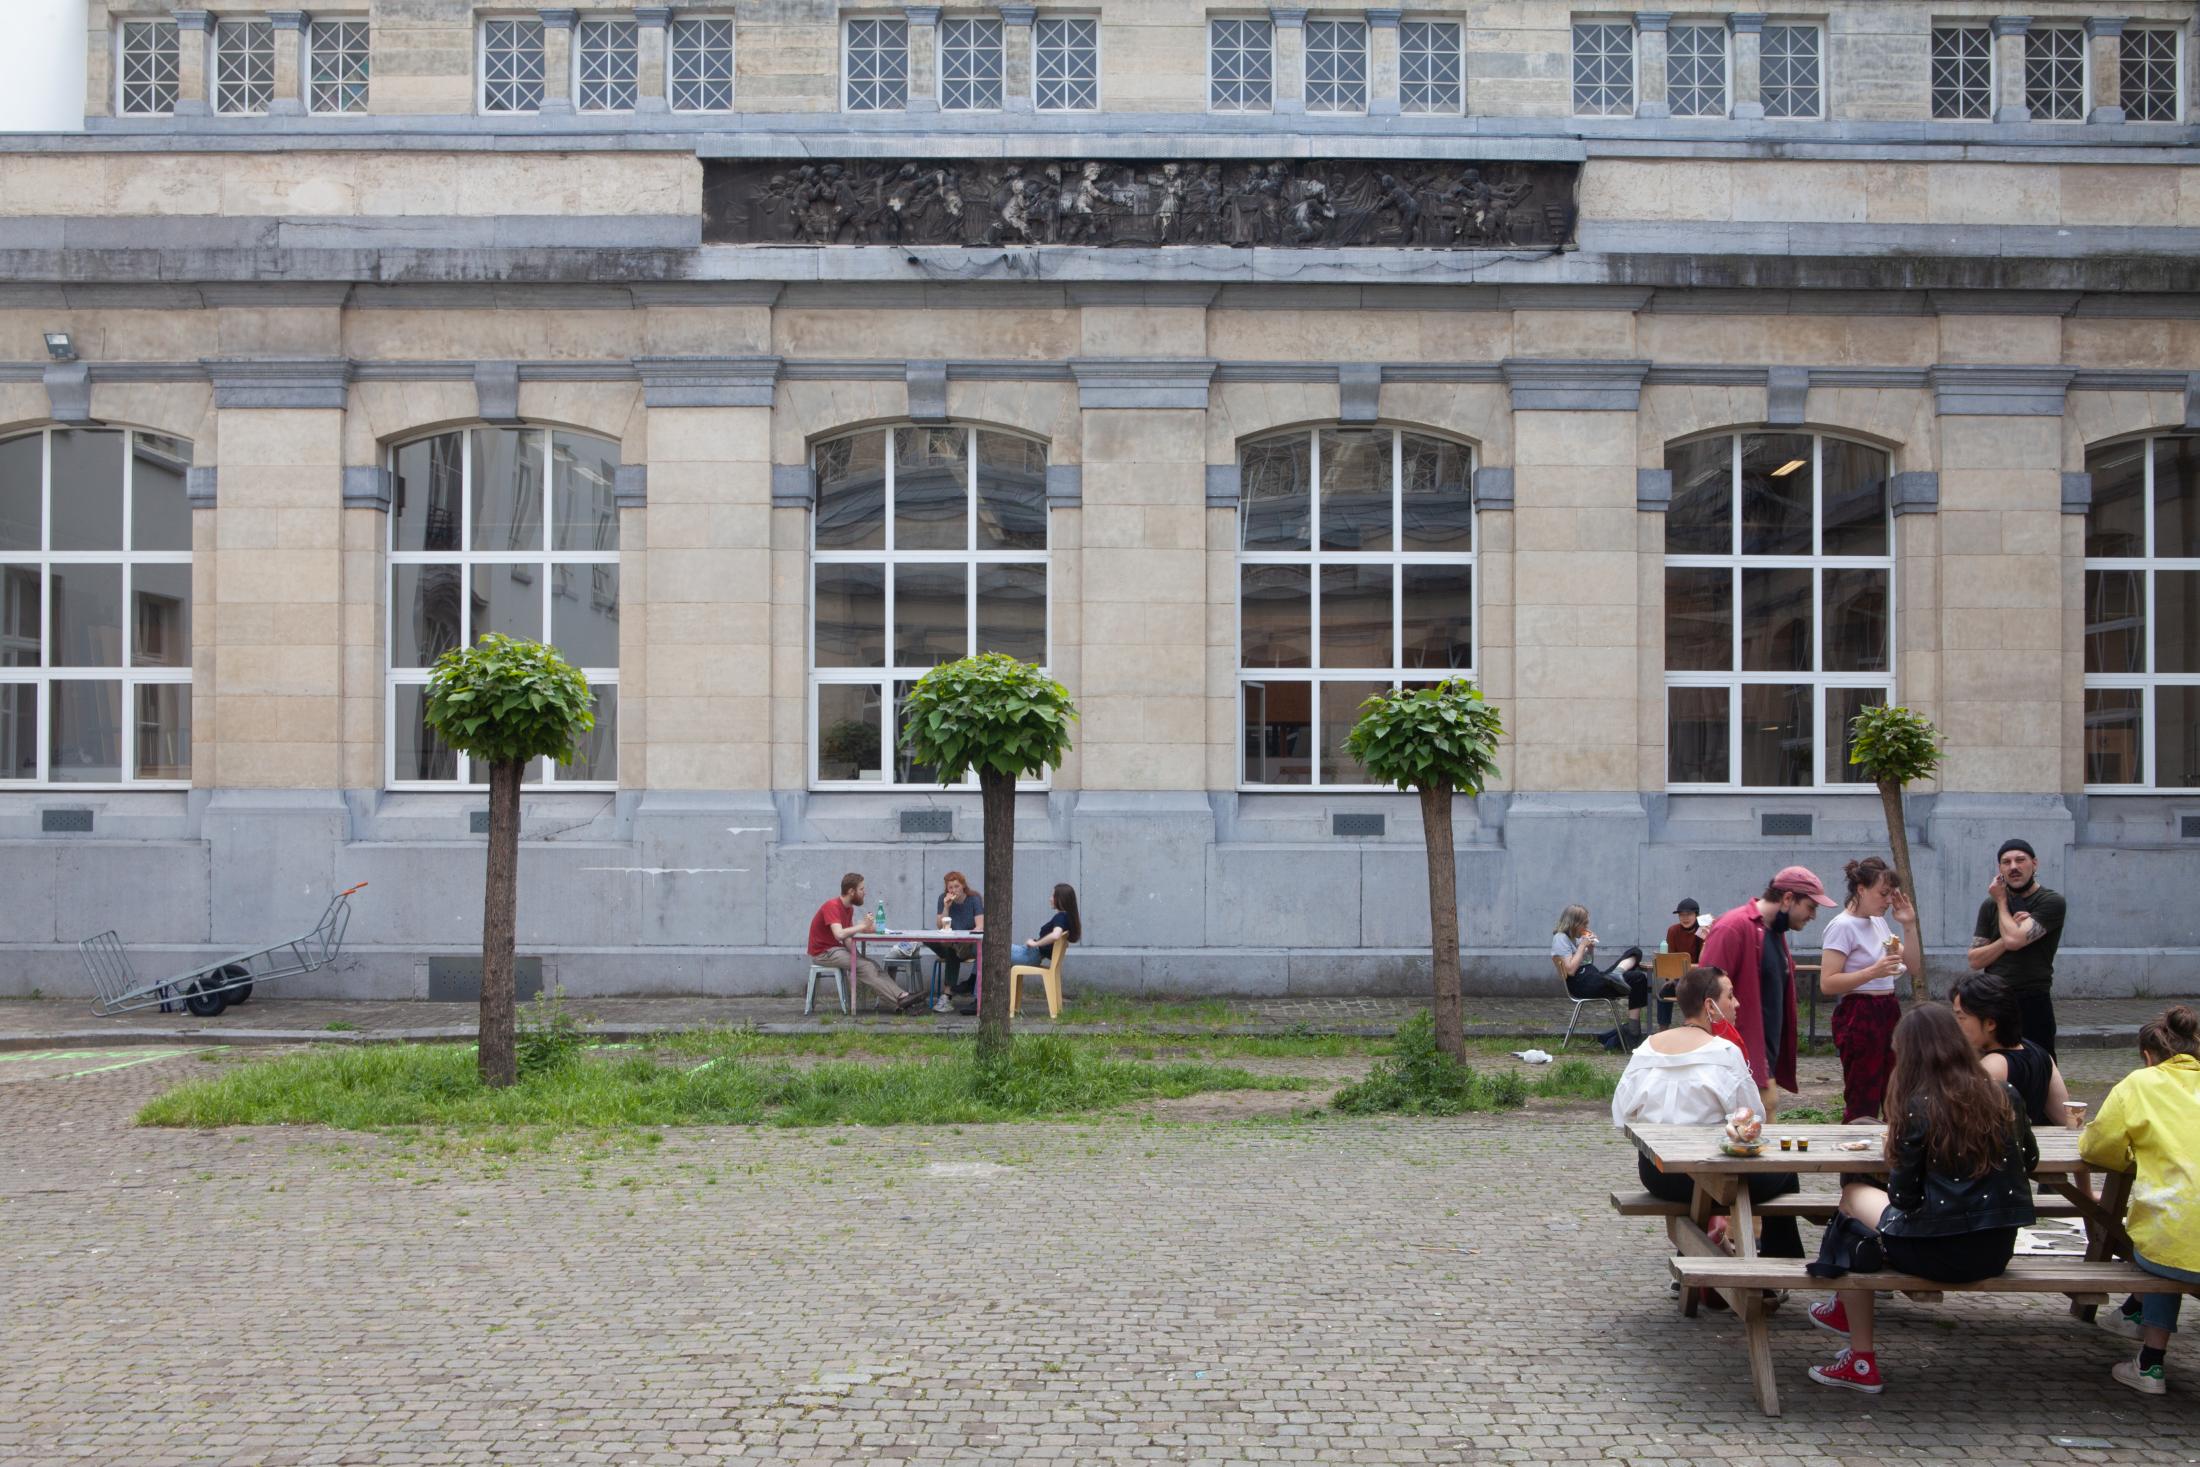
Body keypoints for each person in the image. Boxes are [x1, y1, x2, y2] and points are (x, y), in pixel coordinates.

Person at [1806, 1004, 2038, 1394]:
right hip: (1996, 1249)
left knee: (1851, 1203)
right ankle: (1843, 1313)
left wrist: (1894, 1154)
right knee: (1856, 1218)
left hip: (1934, 1252)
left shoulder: (1919, 1104)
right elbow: (2029, 1160)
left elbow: (1903, 1197)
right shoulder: (2005, 1094)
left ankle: (1859, 1354)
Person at [1612, 965, 1805, 1260]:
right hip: (1710, 1177)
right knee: (1784, 1174)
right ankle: (1779, 1265)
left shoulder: (1647, 1048)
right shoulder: (1724, 1053)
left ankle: (1699, 1259)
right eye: (1730, 996)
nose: (1737, 1003)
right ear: (1709, 1005)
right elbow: (1753, 1119)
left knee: (1712, 1184)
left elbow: (1619, 1114)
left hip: (1657, 1174)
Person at [2080, 1005, 2200, 1396]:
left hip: (2173, 1243)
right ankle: (2133, 1311)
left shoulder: (2141, 1083)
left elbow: (2098, 1148)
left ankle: (2150, 1364)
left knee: (2165, 1248)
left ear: (2148, 1056)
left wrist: (2134, 1156)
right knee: (2174, 1241)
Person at [1696, 867, 1835, 1118]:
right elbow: (1703, 997)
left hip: (1760, 1066)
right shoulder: (1733, 927)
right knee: (1746, 1149)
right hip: (1735, 1069)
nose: (1813, 916)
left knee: (1760, 1148)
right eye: (1811, 907)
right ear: (1788, 898)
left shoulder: (1773, 932)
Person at [1819, 857, 1919, 1122]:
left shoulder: (1877, 921)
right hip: (1860, 1011)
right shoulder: (1842, 926)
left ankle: (1893, 1153)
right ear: (1861, 889)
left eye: (1890, 894)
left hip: (1888, 1007)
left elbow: (1914, 966)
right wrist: (1872, 972)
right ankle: (1855, 1154)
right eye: (1882, 894)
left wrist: (1908, 925)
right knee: (1863, 1092)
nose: (1887, 901)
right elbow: (1827, 982)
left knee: (1895, 1090)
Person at [1967, 838, 2068, 1057]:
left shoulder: (2051, 902)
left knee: (2039, 1065)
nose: (2013, 867)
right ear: (2000, 869)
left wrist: (2002, 903)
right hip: (1994, 997)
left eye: (2020, 860)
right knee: (1994, 1064)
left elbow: (2015, 941)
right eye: (2007, 862)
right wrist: (2011, 930)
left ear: (2034, 863)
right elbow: (1975, 960)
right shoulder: (1989, 906)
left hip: (2033, 998)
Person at [1950, 972, 2076, 1127]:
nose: (1955, 1024)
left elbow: (1965, 1125)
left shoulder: (1992, 1065)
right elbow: (2066, 1120)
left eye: (1961, 1017)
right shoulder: (2041, 1054)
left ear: (1990, 1023)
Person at [806, 871, 927, 1014]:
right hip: (823, 953)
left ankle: (903, 999)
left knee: (872, 965)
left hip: (835, 950)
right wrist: (862, 926)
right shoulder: (832, 906)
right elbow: (839, 934)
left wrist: (858, 954)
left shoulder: (848, 909)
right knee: (865, 966)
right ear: (851, 891)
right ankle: (901, 1001)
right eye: (862, 889)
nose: (865, 893)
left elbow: (847, 937)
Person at [954, 883, 1081, 1016]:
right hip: (1028, 953)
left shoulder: (1061, 917)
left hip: (1030, 955)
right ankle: (972, 983)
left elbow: (1055, 935)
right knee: (985, 948)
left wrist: (1035, 944)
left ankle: (975, 994)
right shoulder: (1067, 917)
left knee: (987, 950)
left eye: (1053, 895)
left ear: (1061, 899)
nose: (1050, 898)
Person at [1550, 904, 1647, 1051]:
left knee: (1635, 951)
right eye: (1584, 923)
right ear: (1574, 923)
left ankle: (1617, 973)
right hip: (1582, 985)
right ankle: (1633, 1033)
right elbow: (1570, 970)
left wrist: (1590, 949)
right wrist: (1582, 946)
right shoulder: (1560, 938)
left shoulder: (1573, 938)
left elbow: (1588, 963)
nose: (1586, 926)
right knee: (1638, 978)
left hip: (1594, 977)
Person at [927, 870, 984, 1010]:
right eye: (950, 887)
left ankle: (947, 996)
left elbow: (980, 926)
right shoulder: (943, 898)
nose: (953, 890)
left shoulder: (974, 899)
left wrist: (966, 937)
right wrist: (946, 907)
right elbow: (940, 926)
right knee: (929, 938)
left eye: (956, 886)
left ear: (963, 885)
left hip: (968, 945)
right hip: (949, 943)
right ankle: (947, 997)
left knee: (953, 951)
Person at [1656, 897, 1706, 1027]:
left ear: (1697, 915)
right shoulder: (1673, 930)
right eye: (1681, 915)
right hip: (1679, 978)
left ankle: (1695, 1027)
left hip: (1699, 979)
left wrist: (1707, 940)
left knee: (1695, 993)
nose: (1685, 918)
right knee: (1663, 993)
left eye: (1689, 914)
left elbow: (1703, 962)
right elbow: (1670, 959)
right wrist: (1670, 979)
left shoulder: (1702, 931)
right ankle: (1663, 1031)